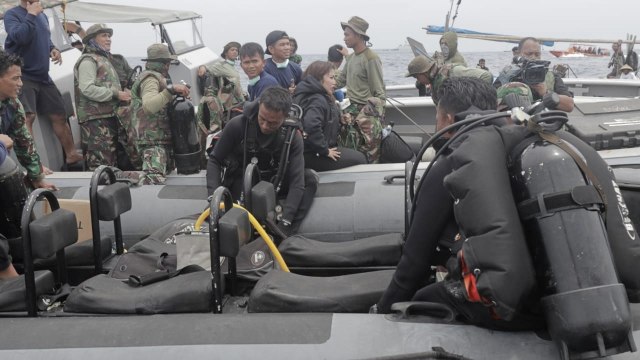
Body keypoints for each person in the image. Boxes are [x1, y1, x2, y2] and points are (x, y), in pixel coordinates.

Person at [375, 77, 640, 330]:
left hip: (511, 311)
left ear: (446, 118)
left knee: (420, 297)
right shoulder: (531, 145)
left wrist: (383, 312)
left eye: (437, 116)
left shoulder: (451, 164)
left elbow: (413, 263)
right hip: (575, 298)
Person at [206, 87, 318, 234]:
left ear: (284, 118)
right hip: (243, 181)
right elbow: (215, 159)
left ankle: (284, 232)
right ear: (259, 108)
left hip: (274, 181)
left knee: (310, 178)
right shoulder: (238, 125)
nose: (265, 126)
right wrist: (214, 198)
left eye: (272, 123)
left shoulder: (292, 137)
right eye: (262, 119)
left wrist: (286, 220)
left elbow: (298, 182)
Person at [3, 0, 83, 169]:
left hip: (43, 76)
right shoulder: (12, 15)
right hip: (23, 75)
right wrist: (31, 14)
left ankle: (71, 156)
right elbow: (19, 37)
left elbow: (44, 38)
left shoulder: (42, 16)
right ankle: (35, 164)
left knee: (59, 115)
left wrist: (52, 49)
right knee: (27, 118)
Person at [125, 43, 190, 185]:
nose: (169, 67)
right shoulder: (150, 79)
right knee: (153, 180)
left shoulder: (158, 79)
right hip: (153, 143)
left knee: (164, 176)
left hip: (160, 141)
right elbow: (149, 106)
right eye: (168, 63)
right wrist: (171, 91)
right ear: (164, 64)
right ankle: (121, 179)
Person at [73, 24, 131, 170]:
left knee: (110, 162)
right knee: (101, 165)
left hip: (106, 118)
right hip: (96, 122)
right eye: (104, 36)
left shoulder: (102, 59)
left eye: (109, 36)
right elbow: (87, 89)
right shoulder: (88, 61)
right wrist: (115, 93)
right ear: (92, 40)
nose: (109, 39)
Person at [293, 61, 366, 171]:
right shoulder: (316, 100)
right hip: (311, 154)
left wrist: (340, 119)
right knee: (360, 159)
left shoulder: (317, 95)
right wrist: (324, 150)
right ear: (318, 79)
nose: (335, 82)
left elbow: (321, 120)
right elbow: (311, 126)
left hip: (310, 151)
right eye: (331, 78)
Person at [0, 50, 56, 191]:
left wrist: (36, 177)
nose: (20, 84)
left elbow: (24, 142)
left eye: (20, 78)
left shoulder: (13, 104)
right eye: (15, 78)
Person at [336, 16, 386, 163]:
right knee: (351, 150)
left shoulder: (371, 58)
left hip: (366, 113)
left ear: (358, 35)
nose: (344, 38)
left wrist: (369, 119)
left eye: (347, 34)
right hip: (351, 110)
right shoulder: (351, 59)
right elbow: (339, 82)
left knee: (370, 155)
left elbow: (380, 94)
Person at [197, 41, 245, 133]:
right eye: (232, 50)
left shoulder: (235, 66)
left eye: (237, 50)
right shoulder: (221, 65)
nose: (235, 52)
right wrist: (202, 67)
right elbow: (207, 69)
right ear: (226, 53)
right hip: (228, 104)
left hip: (237, 101)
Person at [516, 37, 574, 112]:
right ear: (519, 54)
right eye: (529, 54)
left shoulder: (551, 76)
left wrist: (546, 93)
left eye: (537, 54)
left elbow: (569, 105)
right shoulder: (511, 75)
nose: (533, 57)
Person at [405, 54, 492, 104]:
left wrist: (470, 104)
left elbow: (486, 76)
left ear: (425, 72)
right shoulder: (435, 83)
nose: (418, 81)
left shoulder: (454, 72)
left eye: (416, 77)